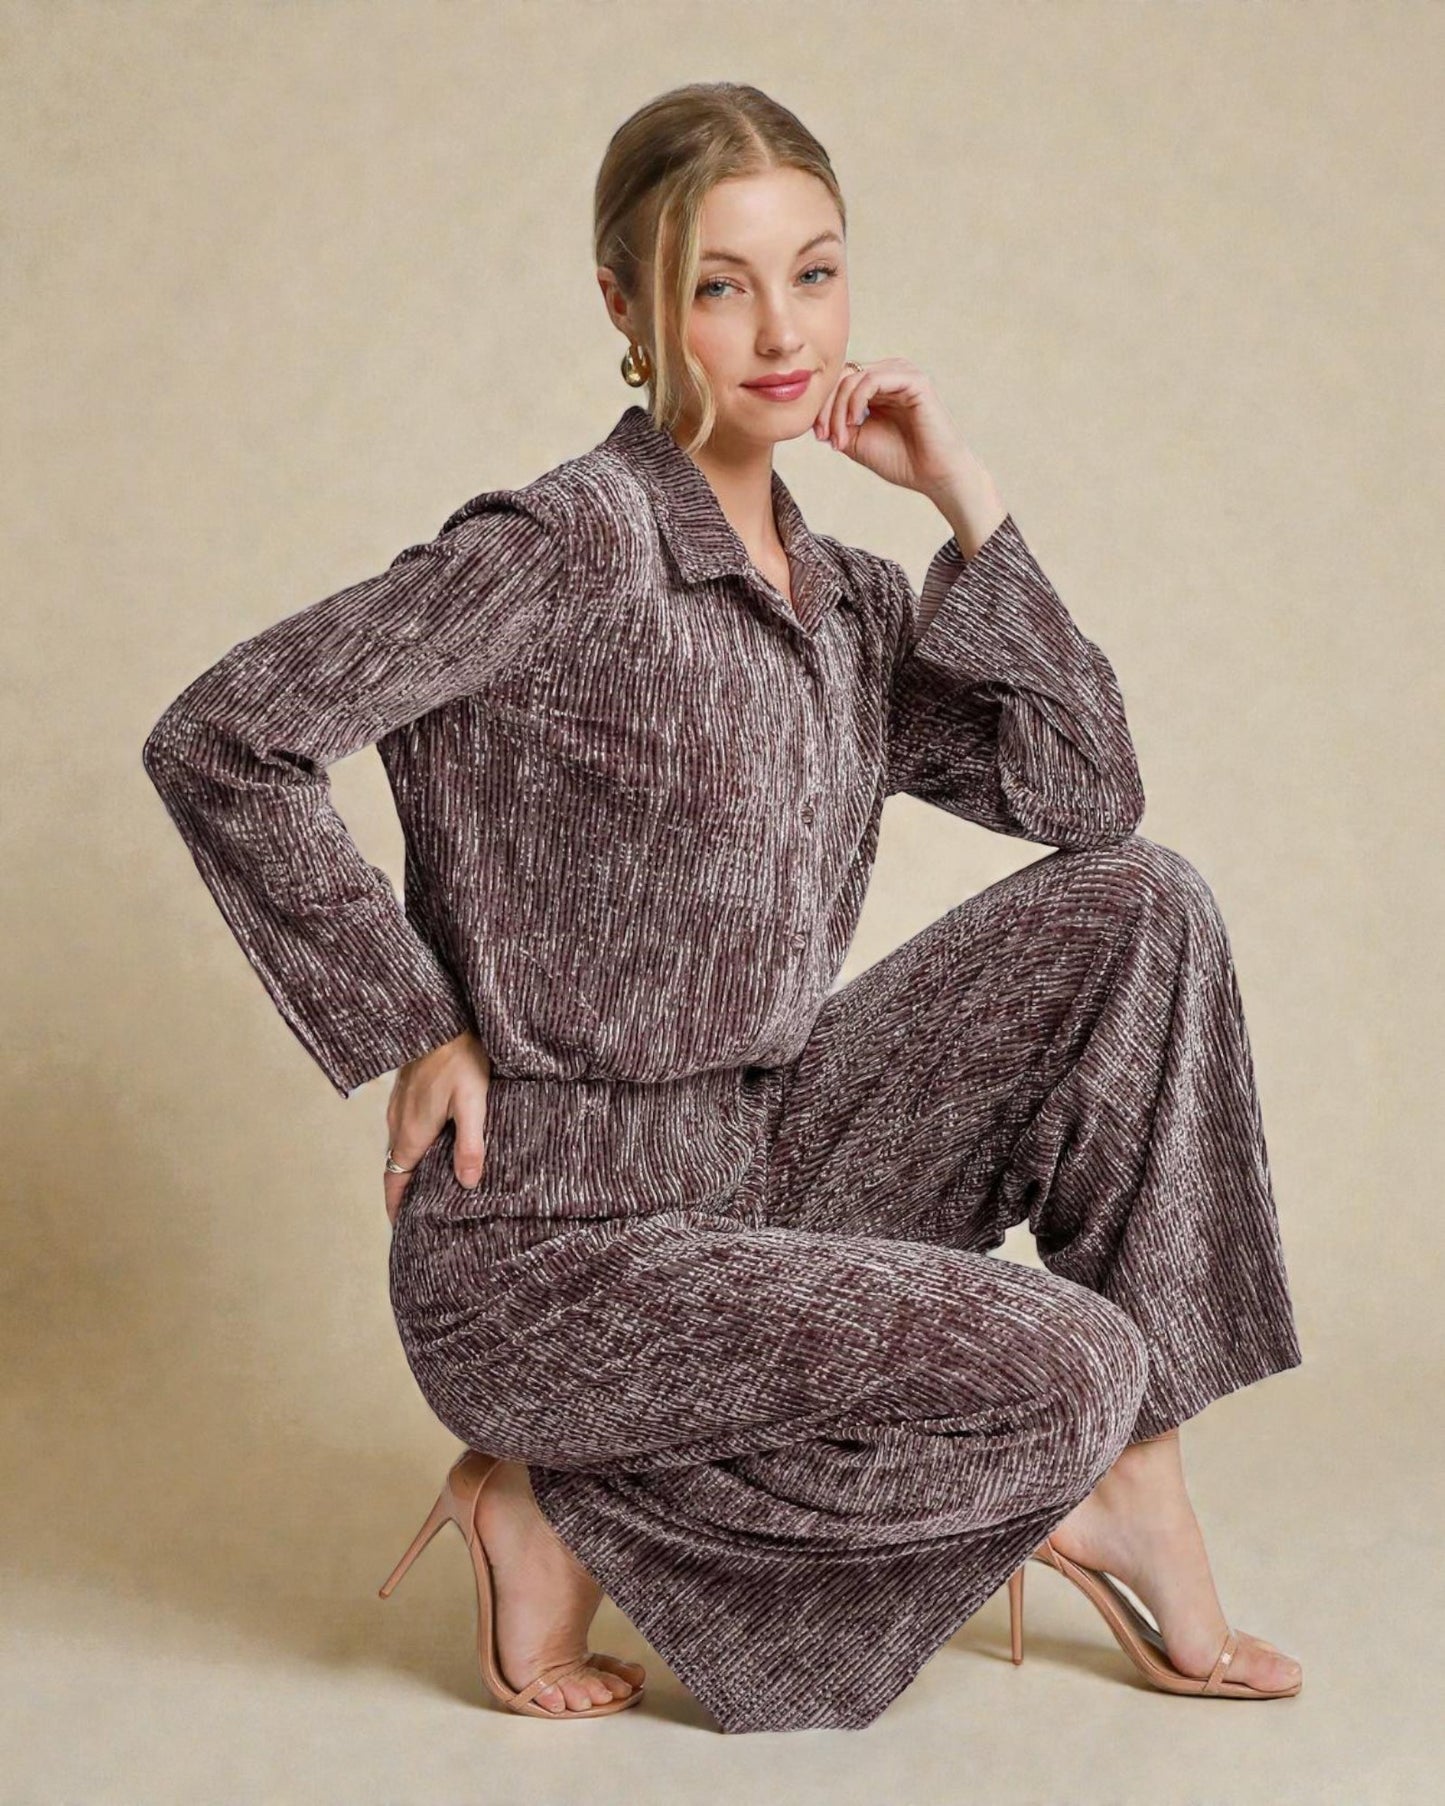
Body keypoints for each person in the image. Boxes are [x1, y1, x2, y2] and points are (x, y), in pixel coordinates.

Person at [141, 81, 1305, 1733]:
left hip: (758, 1167)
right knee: (1059, 1361)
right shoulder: (564, 547)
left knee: (1144, 907)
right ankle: (555, 1493)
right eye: (718, 283)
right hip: (552, 1241)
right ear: (624, 304)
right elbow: (229, 733)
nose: (780, 330)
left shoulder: (843, 603)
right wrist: (406, 1020)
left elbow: (1082, 798)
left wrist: (967, 497)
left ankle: (1135, 1482)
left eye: (814, 275)